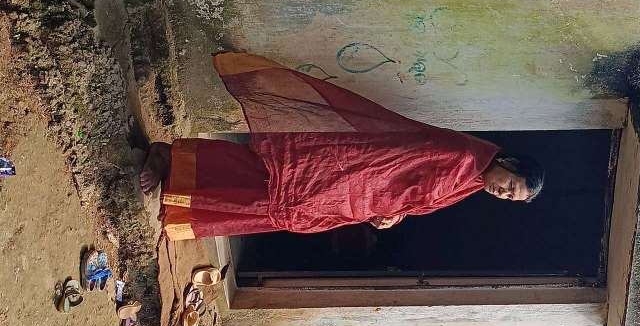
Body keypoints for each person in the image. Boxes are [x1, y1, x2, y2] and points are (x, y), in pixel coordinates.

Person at [140, 54, 544, 242]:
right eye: (510, 185)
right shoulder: (462, 156)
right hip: (348, 175)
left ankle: (178, 189)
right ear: (508, 162)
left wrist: (393, 215)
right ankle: (167, 158)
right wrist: (367, 195)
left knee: (264, 201)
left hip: (354, 197)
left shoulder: (472, 179)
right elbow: (396, 161)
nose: (502, 193)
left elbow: (412, 195)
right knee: (263, 182)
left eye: (509, 197)